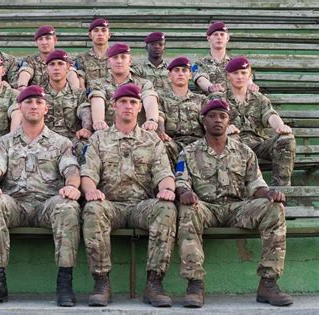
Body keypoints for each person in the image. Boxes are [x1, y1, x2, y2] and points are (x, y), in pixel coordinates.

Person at [175, 99, 293, 308]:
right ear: (204, 121)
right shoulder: (189, 151)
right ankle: (195, 284)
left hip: (237, 207)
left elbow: (256, 184)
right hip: (205, 207)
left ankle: (268, 283)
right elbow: (182, 180)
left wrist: (268, 193)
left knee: (274, 209)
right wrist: (184, 191)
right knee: (187, 210)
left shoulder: (244, 152)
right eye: (212, 116)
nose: (218, 120)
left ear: (228, 120)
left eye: (222, 116)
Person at [0, 85, 81, 307]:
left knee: (68, 206)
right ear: (19, 107)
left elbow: (71, 169)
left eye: (38, 102)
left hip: (46, 205)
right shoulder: (5, 142)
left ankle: (65, 284)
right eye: (28, 102)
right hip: (16, 204)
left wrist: (72, 186)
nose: (34, 106)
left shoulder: (61, 143)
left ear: (46, 108)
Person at [81, 84, 177, 307]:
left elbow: (164, 174)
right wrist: (90, 190)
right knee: (93, 209)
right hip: (110, 204)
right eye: (123, 101)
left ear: (140, 107)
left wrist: (167, 189)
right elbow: (87, 174)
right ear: (113, 106)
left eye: (133, 102)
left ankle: (154, 283)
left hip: (141, 206)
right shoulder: (98, 139)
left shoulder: (151, 140)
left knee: (166, 208)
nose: (128, 106)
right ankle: (101, 282)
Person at [211, 56, 296, 186]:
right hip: (235, 143)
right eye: (235, 73)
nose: (240, 76)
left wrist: (281, 127)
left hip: (259, 144)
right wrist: (224, 128)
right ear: (228, 76)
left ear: (249, 75)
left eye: (243, 73)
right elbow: (212, 120)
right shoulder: (219, 99)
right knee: (230, 138)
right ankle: (237, 190)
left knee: (287, 139)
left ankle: (281, 188)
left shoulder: (259, 98)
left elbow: (270, 114)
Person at [87, 43, 160, 132]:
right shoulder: (98, 84)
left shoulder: (143, 84)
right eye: (115, 57)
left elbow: (150, 99)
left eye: (123, 57)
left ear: (130, 61)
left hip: (138, 135)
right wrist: (99, 121)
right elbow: (97, 99)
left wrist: (151, 120)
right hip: (108, 135)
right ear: (109, 62)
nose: (119, 61)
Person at [157, 56, 205, 166]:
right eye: (176, 70)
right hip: (173, 143)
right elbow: (160, 116)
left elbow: (206, 121)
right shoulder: (162, 98)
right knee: (162, 147)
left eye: (184, 70)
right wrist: (162, 133)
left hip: (197, 143)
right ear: (169, 76)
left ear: (190, 75)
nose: (180, 73)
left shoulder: (201, 99)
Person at [192, 21, 259, 94]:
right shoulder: (199, 64)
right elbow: (200, 80)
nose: (219, 37)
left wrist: (251, 85)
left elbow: (247, 78)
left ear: (227, 38)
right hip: (210, 103)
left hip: (233, 103)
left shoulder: (235, 63)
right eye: (215, 34)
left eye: (222, 34)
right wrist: (211, 87)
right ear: (208, 38)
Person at [16, 25, 80, 90]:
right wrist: (22, 86)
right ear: (36, 42)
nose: (44, 42)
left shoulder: (64, 58)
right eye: (40, 39)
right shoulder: (31, 60)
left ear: (55, 40)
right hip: (38, 97)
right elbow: (25, 73)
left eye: (48, 38)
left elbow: (71, 74)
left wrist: (76, 90)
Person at [73, 18, 111, 88]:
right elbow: (81, 85)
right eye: (96, 31)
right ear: (90, 35)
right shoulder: (81, 58)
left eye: (104, 30)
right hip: (91, 96)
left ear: (109, 35)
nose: (100, 34)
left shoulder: (116, 57)